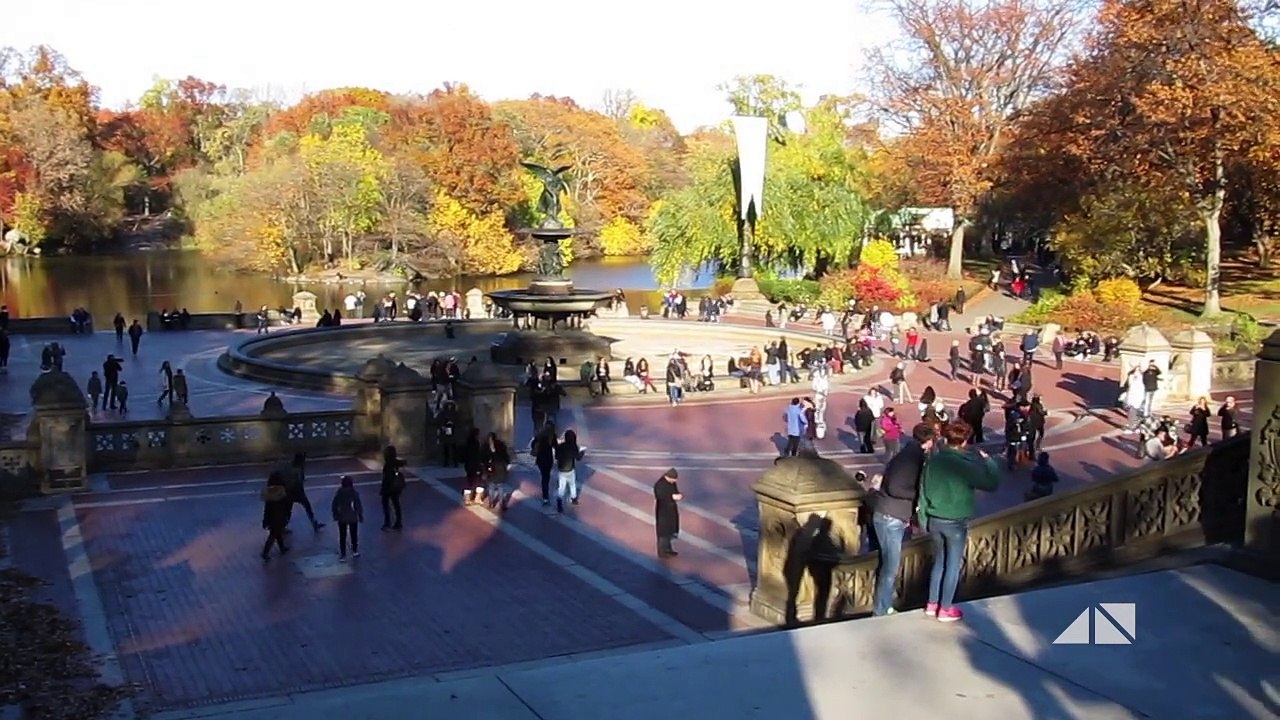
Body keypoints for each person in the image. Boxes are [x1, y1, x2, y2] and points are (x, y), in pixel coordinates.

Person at [917, 421, 1001, 623]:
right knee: (952, 565)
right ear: (964, 441)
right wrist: (989, 462)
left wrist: (923, 520)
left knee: (939, 562)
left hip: (935, 519)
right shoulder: (964, 465)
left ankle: (932, 603)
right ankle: (945, 608)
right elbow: (991, 483)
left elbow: (923, 491)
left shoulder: (933, 461)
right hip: (955, 521)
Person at [870, 423, 936, 616]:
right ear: (929, 441)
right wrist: (918, 495)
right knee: (890, 566)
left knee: (886, 563)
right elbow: (896, 488)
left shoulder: (906, 454)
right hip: (892, 516)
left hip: (886, 513)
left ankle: (884, 604)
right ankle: (881, 609)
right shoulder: (912, 459)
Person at [287, 452, 324, 531]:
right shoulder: (299, 469)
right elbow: (299, 480)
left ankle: (282, 525)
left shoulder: (291, 467)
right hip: (298, 492)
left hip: (290, 492)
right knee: (308, 508)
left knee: (287, 510)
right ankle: (314, 524)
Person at [261, 471, 292, 561]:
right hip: (278, 516)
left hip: (271, 517)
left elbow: (267, 508)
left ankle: (282, 548)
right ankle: (265, 552)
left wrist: (265, 520)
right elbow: (286, 504)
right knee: (274, 534)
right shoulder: (281, 492)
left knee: (277, 533)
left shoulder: (269, 493)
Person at [331, 475, 363, 560]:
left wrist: (335, 515)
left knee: (342, 536)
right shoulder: (353, 493)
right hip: (352, 516)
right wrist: (360, 515)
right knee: (354, 534)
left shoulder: (339, 493)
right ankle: (355, 550)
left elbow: (334, 505)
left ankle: (343, 554)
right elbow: (358, 505)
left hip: (342, 517)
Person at [553, 429, 586, 513]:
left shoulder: (560, 446)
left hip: (561, 470)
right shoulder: (573, 447)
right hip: (570, 469)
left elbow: (556, 457)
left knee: (561, 487)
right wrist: (582, 452)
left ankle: (559, 503)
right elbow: (578, 458)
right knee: (572, 484)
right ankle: (574, 498)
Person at [654, 468, 683, 558]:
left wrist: (677, 495)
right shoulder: (660, 484)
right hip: (663, 511)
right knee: (663, 532)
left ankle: (668, 549)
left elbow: (675, 491)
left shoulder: (671, 483)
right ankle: (662, 552)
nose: (675, 481)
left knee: (670, 530)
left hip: (671, 509)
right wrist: (672, 497)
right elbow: (660, 496)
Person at [483, 432, 514, 511]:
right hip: (500, 467)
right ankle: (501, 503)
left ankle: (491, 502)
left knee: (491, 486)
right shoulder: (501, 445)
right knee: (500, 486)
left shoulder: (486, 447)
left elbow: (483, 458)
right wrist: (507, 464)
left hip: (491, 467)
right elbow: (505, 456)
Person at [530, 421, 557, 506]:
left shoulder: (539, 435)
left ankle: (545, 496)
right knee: (546, 477)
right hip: (548, 459)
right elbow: (555, 446)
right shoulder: (552, 436)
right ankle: (546, 495)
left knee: (544, 477)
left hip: (540, 460)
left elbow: (532, 444)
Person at [380, 445, 406, 530]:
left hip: (388, 488)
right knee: (396, 504)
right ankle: (398, 522)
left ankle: (387, 523)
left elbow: (386, 477)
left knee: (386, 505)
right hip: (395, 488)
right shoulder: (395, 462)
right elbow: (404, 462)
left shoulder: (388, 464)